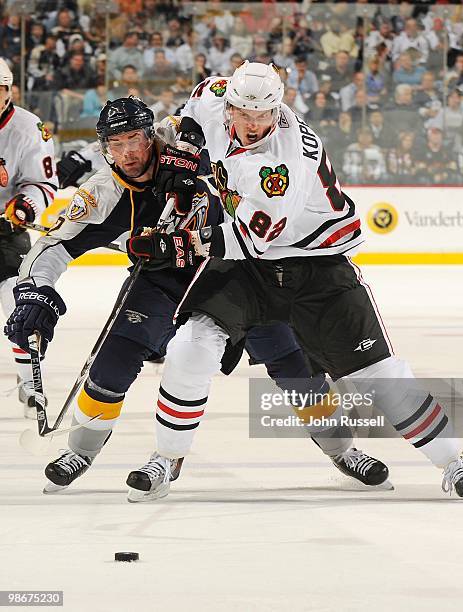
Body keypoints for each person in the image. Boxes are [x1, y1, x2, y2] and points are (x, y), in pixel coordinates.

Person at [126, 61, 463, 503]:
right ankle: (167, 457)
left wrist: (175, 244)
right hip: (250, 271)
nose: (254, 125)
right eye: (244, 113)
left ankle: (454, 460)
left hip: (312, 265)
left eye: (264, 115)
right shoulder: (216, 93)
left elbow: (253, 239)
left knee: (378, 375)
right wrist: (187, 143)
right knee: (191, 346)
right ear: (232, 104)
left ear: (279, 108)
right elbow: (191, 112)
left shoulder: (287, 160)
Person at [6, 97, 389, 497]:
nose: (128, 153)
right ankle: (80, 452)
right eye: (115, 145)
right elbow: (51, 247)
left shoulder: (191, 138)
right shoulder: (104, 194)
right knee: (114, 360)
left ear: (151, 134)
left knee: (293, 361)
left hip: (235, 272)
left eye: (134, 139)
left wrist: (192, 140)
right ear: (104, 148)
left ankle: (343, 449)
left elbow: (229, 101)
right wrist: (36, 293)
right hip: (162, 280)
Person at [0, 57, 58, 418]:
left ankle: (29, 381)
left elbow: (44, 183)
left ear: (9, 91)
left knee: (17, 301)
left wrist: (25, 207)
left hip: (4, 232)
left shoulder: (28, 128)